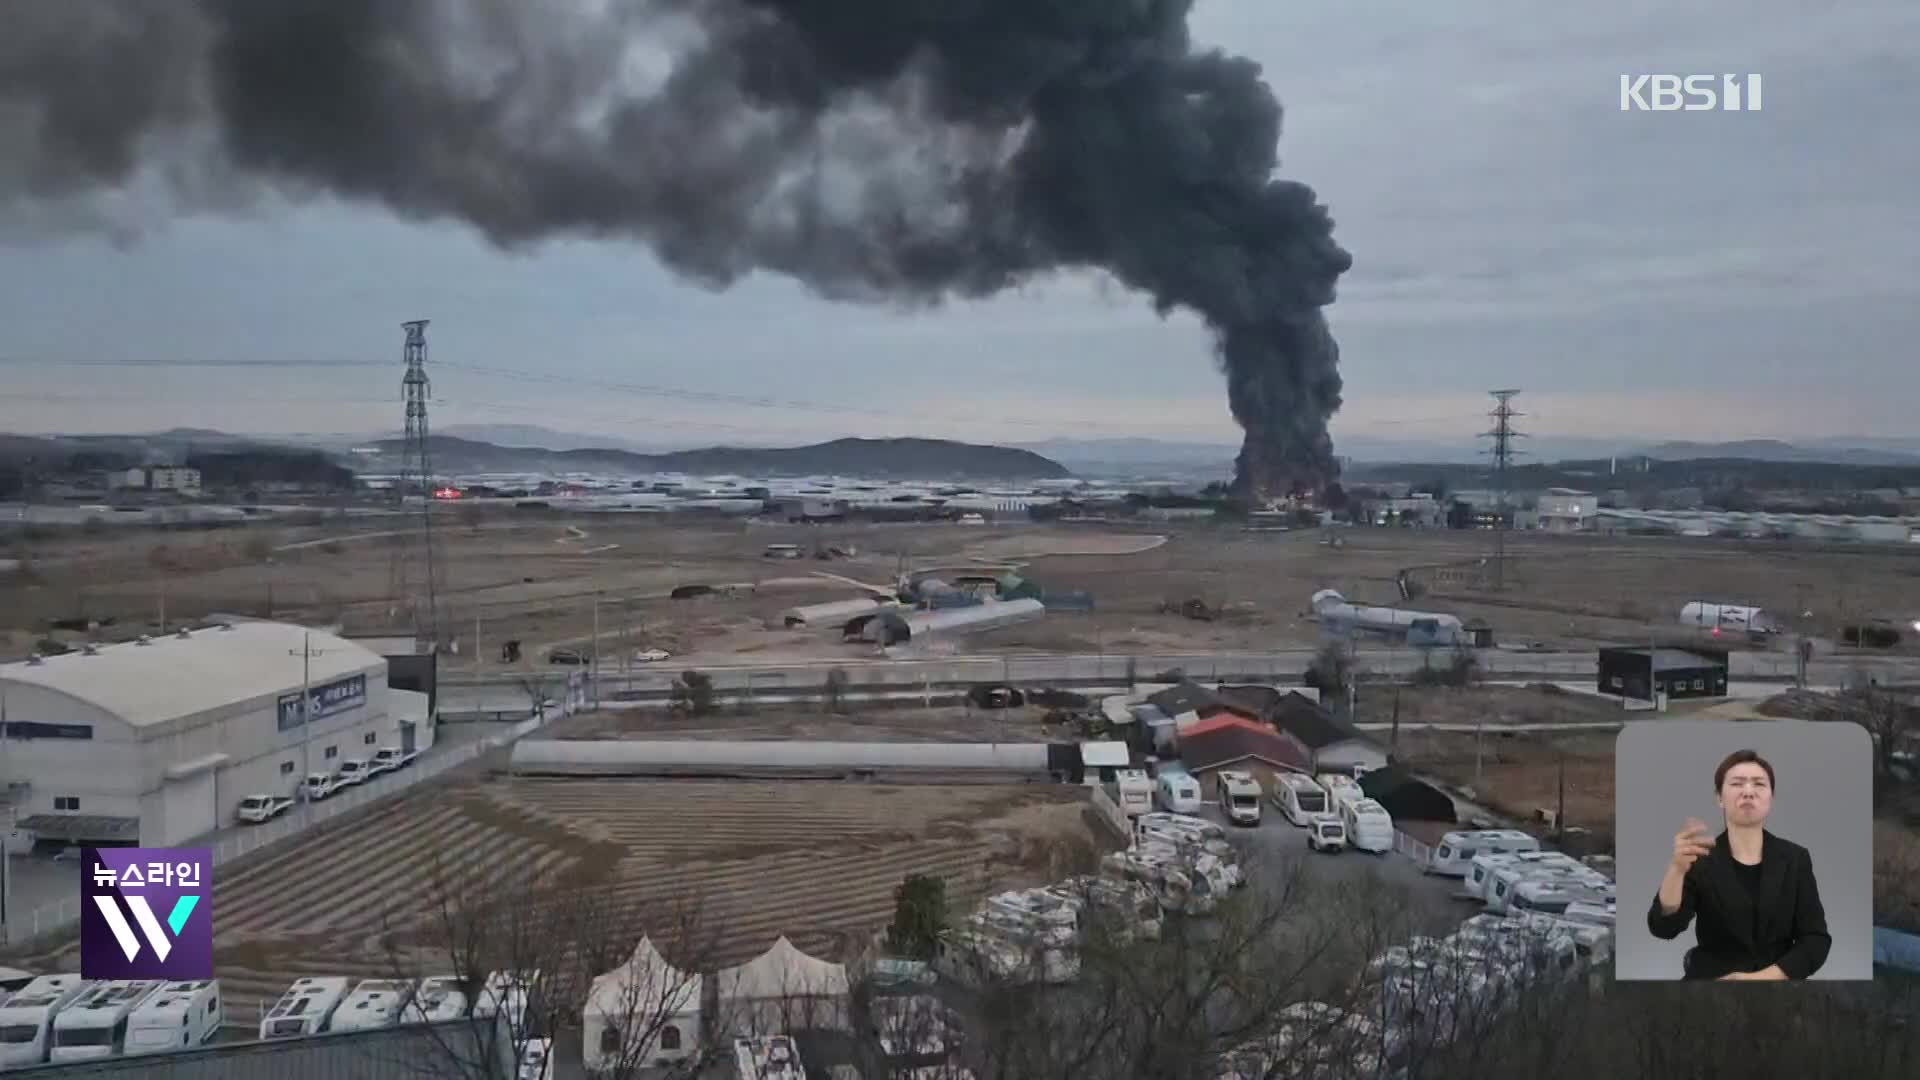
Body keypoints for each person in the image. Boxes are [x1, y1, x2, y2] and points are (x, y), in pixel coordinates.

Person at [1647, 749, 1831, 980]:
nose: (1748, 791)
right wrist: (1675, 870)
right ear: (1720, 798)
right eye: (1737, 783)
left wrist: (1760, 979)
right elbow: (1664, 928)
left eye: (1759, 784)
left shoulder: (1795, 859)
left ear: (1771, 798)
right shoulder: (1699, 857)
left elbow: (1815, 940)